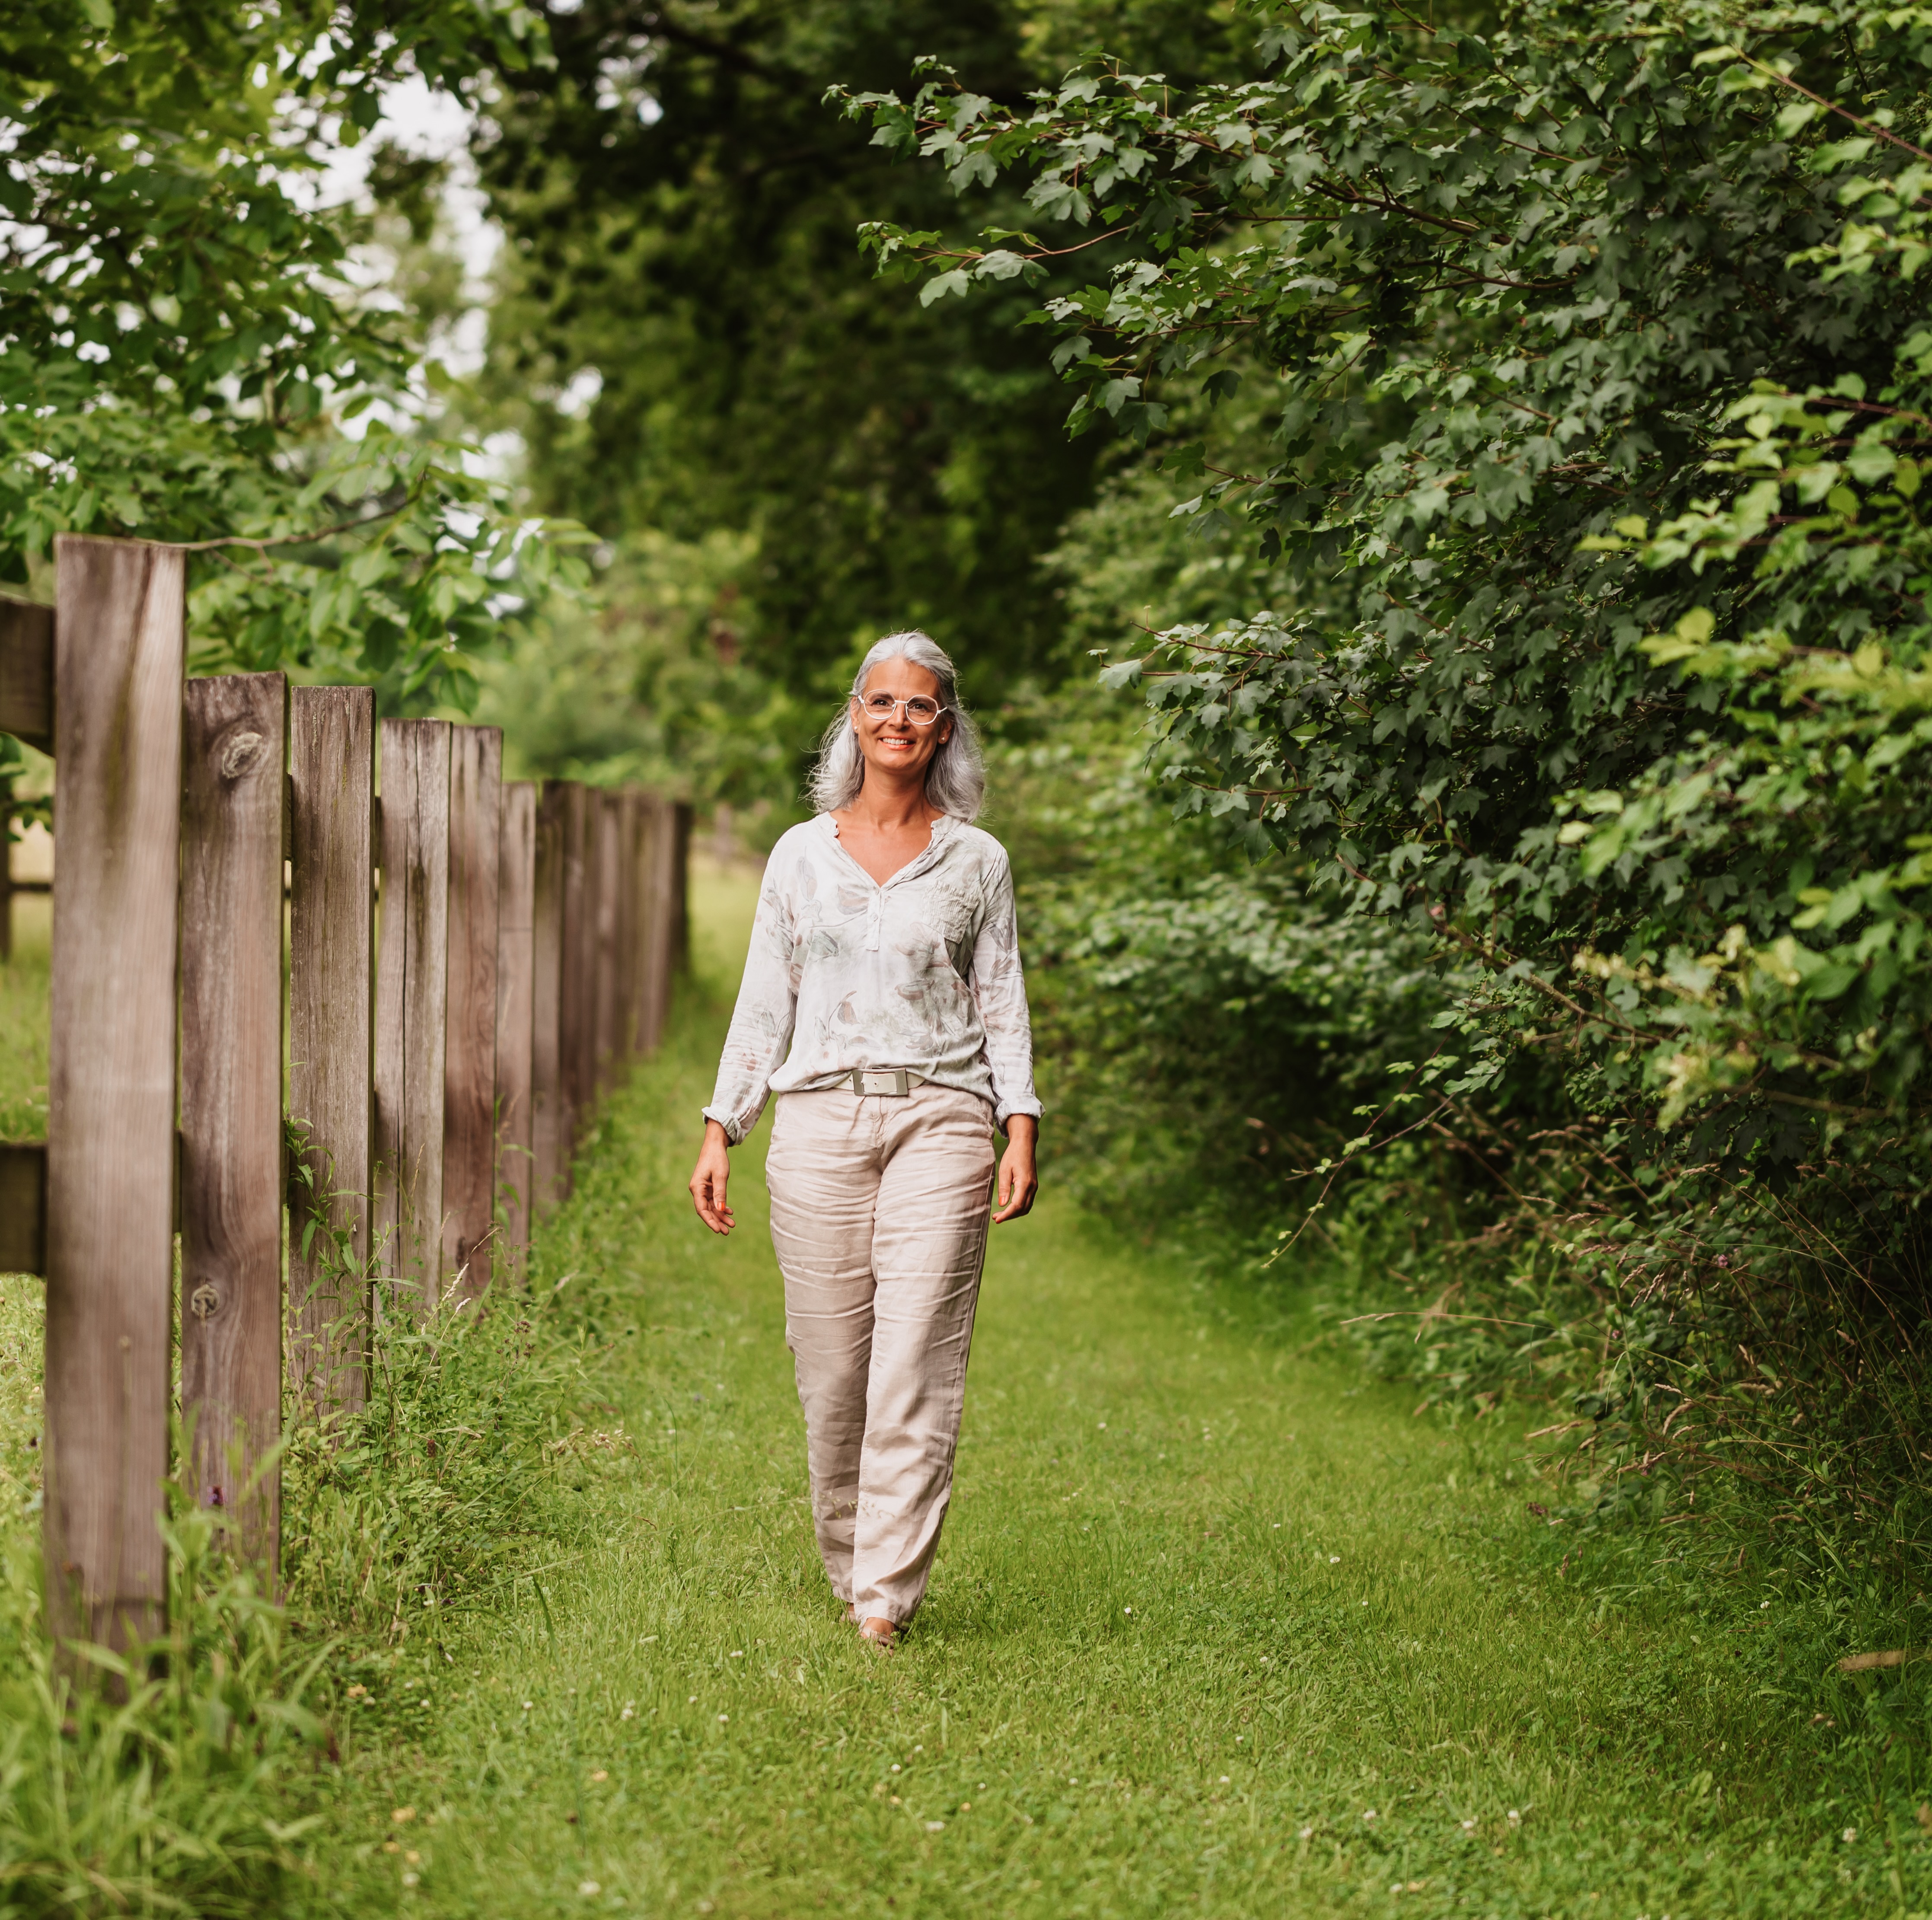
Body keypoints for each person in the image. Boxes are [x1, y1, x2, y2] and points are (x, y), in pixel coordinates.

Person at [689, 630, 1041, 1651]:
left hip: (942, 1117)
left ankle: (884, 1595)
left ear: (944, 727)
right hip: (818, 1125)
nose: (899, 719)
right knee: (835, 1368)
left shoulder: (978, 861)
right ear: (855, 715)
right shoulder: (800, 854)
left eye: (920, 705)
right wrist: (724, 1125)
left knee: (914, 1361)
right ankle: (851, 1565)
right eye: (881, 701)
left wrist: (1018, 1122)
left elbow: (1004, 999)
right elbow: (766, 999)